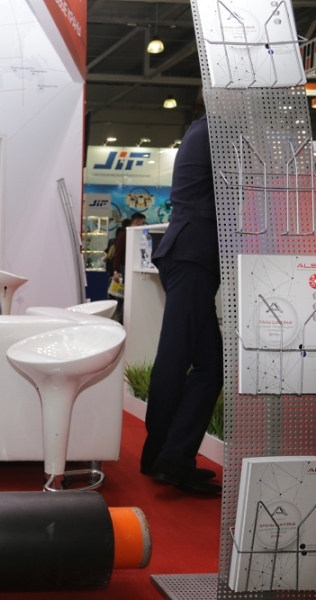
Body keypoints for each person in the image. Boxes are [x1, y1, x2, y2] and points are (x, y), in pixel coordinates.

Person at [141, 116, 222, 495]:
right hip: (193, 254)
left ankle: (167, 456)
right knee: (180, 359)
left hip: (189, 252)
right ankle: (168, 458)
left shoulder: (201, 128)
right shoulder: (215, 130)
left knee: (206, 365)